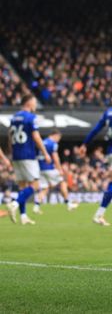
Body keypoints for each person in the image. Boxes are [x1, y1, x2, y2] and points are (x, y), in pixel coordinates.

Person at [6, 95, 50, 224]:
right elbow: (36, 137)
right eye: (35, 102)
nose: (36, 105)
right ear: (29, 102)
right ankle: (14, 204)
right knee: (35, 185)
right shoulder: (31, 117)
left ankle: (23, 216)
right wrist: (45, 153)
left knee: (22, 186)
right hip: (28, 155)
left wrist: (12, 153)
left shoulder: (14, 117)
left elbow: (9, 137)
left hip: (16, 155)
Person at [37, 129, 78, 211]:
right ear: (56, 135)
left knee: (45, 188)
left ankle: (36, 206)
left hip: (41, 169)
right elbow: (55, 158)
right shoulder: (53, 144)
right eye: (59, 138)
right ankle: (68, 203)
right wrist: (60, 169)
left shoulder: (42, 142)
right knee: (63, 182)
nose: (58, 140)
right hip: (49, 168)